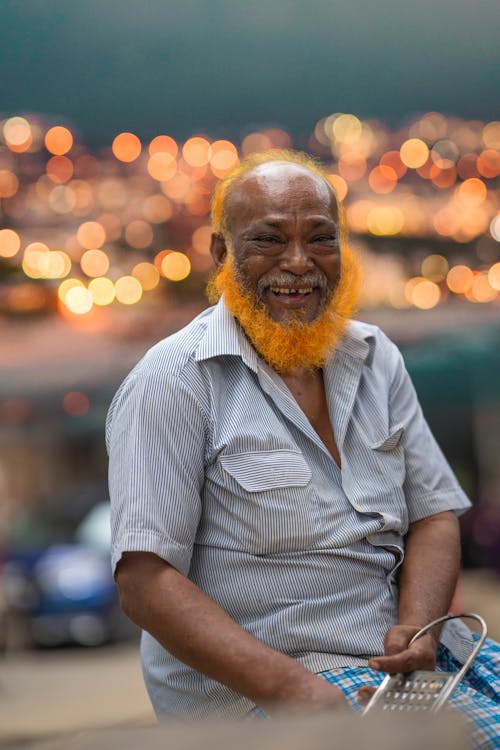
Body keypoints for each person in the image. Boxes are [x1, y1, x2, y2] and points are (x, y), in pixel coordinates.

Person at [106, 150, 499, 744]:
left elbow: (434, 515)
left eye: (320, 239)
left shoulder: (374, 357)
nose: (298, 263)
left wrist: (418, 626)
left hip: (409, 664)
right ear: (221, 254)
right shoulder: (171, 382)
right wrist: (290, 689)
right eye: (268, 241)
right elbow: (145, 580)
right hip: (273, 692)